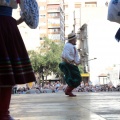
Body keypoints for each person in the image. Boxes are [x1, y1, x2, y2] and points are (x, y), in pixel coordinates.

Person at [0, 0, 37, 119]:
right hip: (6, 24)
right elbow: (31, 15)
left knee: (6, 72)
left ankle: (4, 113)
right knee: (6, 73)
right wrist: (14, 22)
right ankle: (3, 114)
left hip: (6, 24)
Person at [59, 32, 82, 97]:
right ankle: (68, 90)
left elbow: (76, 56)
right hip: (67, 65)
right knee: (74, 78)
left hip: (71, 65)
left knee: (77, 78)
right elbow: (66, 55)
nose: (76, 41)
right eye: (75, 39)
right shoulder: (67, 46)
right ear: (72, 40)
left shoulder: (73, 47)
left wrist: (77, 62)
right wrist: (73, 60)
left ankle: (68, 90)